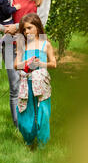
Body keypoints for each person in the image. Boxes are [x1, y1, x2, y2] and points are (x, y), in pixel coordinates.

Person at [0, 0, 51, 127]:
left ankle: (34, 123)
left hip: (33, 45)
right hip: (11, 44)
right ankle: (19, 127)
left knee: (35, 85)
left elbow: (41, 22)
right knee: (15, 87)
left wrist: (17, 27)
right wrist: (4, 30)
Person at [14, 14, 56, 149]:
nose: (26, 32)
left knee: (42, 112)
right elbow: (16, 65)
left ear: (37, 27)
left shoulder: (45, 44)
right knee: (25, 111)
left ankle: (43, 143)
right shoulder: (23, 45)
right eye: (24, 30)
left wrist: (40, 63)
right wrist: (26, 63)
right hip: (26, 84)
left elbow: (53, 63)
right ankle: (29, 140)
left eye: (29, 28)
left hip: (41, 84)